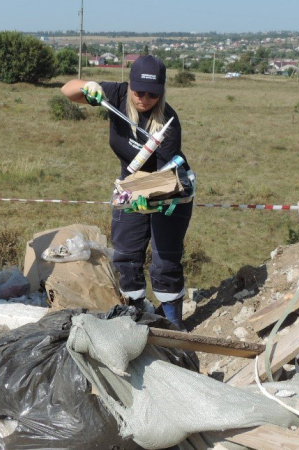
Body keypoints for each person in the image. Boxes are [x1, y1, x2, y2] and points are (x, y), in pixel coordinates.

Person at [60, 55, 193, 330]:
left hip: (166, 190)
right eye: (139, 91)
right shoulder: (117, 94)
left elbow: (160, 179)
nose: (144, 98)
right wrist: (89, 86)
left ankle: (173, 324)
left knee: (163, 262)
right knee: (125, 256)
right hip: (129, 186)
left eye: (152, 94)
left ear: (162, 91)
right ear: (129, 85)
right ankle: (134, 317)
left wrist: (132, 189)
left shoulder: (169, 123)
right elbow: (68, 90)